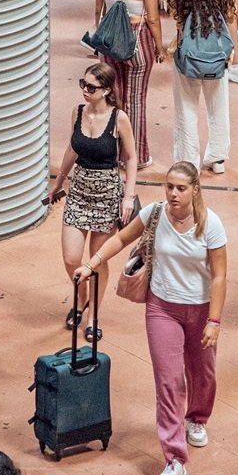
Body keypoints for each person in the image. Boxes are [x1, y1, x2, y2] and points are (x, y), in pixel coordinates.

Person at [76, 162, 225, 475]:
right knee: (169, 382)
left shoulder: (210, 224)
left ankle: (197, 418)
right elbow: (119, 239)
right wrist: (91, 264)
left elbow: (219, 275)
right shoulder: (155, 215)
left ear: (195, 190)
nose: (173, 193)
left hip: (200, 310)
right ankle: (174, 458)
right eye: (169, 186)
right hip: (162, 309)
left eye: (181, 188)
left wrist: (214, 320)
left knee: (203, 374)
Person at [47, 61, 138, 320]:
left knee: (97, 260)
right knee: (71, 257)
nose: (85, 90)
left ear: (107, 90)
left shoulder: (118, 118)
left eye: (91, 86)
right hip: (79, 191)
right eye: (83, 84)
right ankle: (82, 297)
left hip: (106, 193)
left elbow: (130, 158)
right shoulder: (78, 112)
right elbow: (72, 149)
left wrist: (128, 196)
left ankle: (92, 315)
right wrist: (58, 183)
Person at [91, 0, 159, 170]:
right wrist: (159, 47)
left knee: (112, 99)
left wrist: (98, 35)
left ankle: (111, 153)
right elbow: (152, 19)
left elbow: (99, 11)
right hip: (137, 44)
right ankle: (136, 156)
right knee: (135, 101)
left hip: (109, 44)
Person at [166, 0, 235, 174]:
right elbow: (230, 16)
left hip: (188, 57)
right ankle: (217, 158)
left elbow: (176, 17)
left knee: (185, 108)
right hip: (217, 55)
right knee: (218, 106)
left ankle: (188, 159)